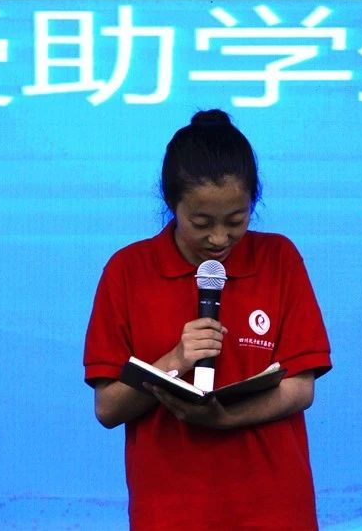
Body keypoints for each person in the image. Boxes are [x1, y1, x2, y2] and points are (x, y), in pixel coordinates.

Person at [83, 109, 332, 530]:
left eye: (236, 221)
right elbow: (108, 408)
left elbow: (300, 387)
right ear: (171, 204)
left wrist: (224, 418)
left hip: (274, 508)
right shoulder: (128, 271)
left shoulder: (279, 260)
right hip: (171, 511)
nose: (219, 238)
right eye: (201, 223)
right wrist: (174, 360)